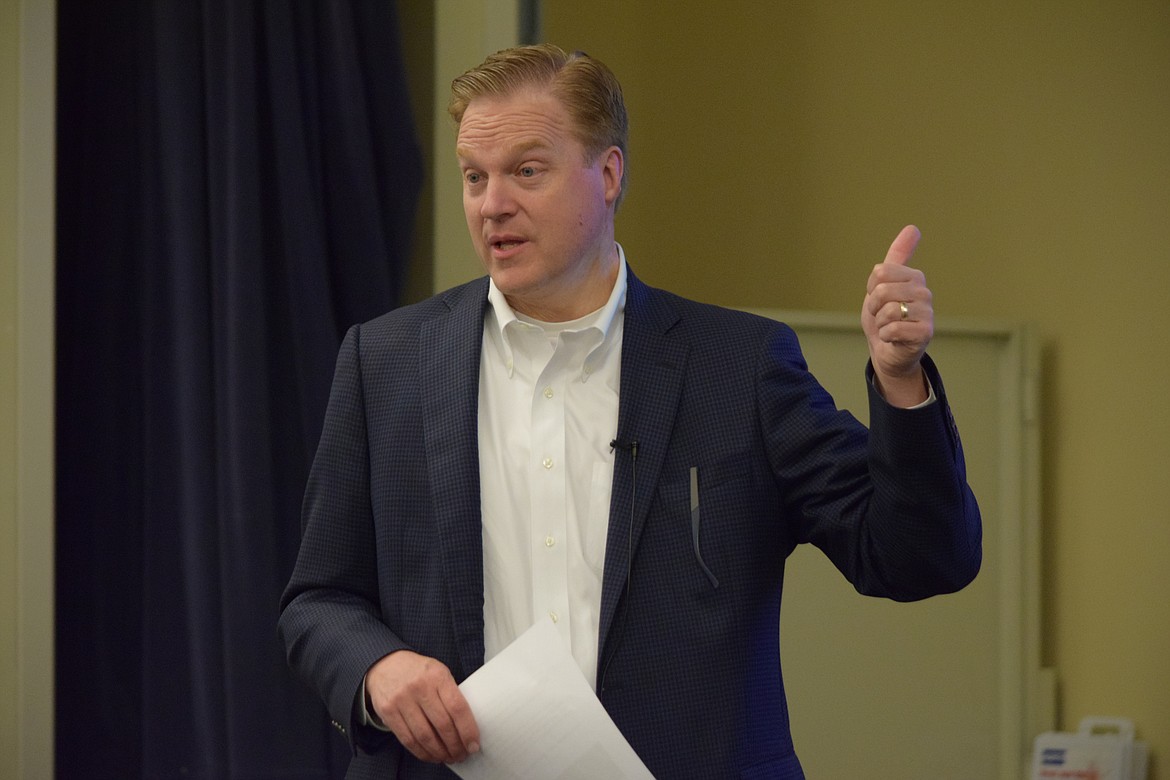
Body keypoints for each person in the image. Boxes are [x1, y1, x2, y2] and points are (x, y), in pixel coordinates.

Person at [279, 43, 981, 780]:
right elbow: (318, 600)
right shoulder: (385, 363)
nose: (492, 205)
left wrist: (900, 379)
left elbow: (921, 556)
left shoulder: (737, 368)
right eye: (474, 177)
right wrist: (377, 669)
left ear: (608, 174)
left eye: (526, 170)